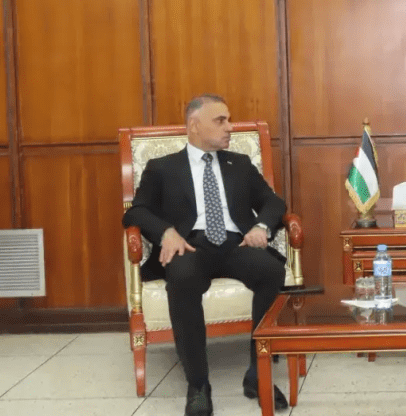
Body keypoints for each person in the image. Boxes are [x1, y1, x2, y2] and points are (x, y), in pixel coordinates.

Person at [122, 94, 289, 416]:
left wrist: (261, 226)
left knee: (271, 270)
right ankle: (198, 384)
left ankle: (259, 374)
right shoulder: (162, 168)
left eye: (229, 120)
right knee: (182, 277)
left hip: (236, 243)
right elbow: (136, 212)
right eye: (221, 120)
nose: (230, 127)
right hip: (189, 244)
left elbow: (273, 202)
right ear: (195, 125)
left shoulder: (239, 164)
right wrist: (166, 232)